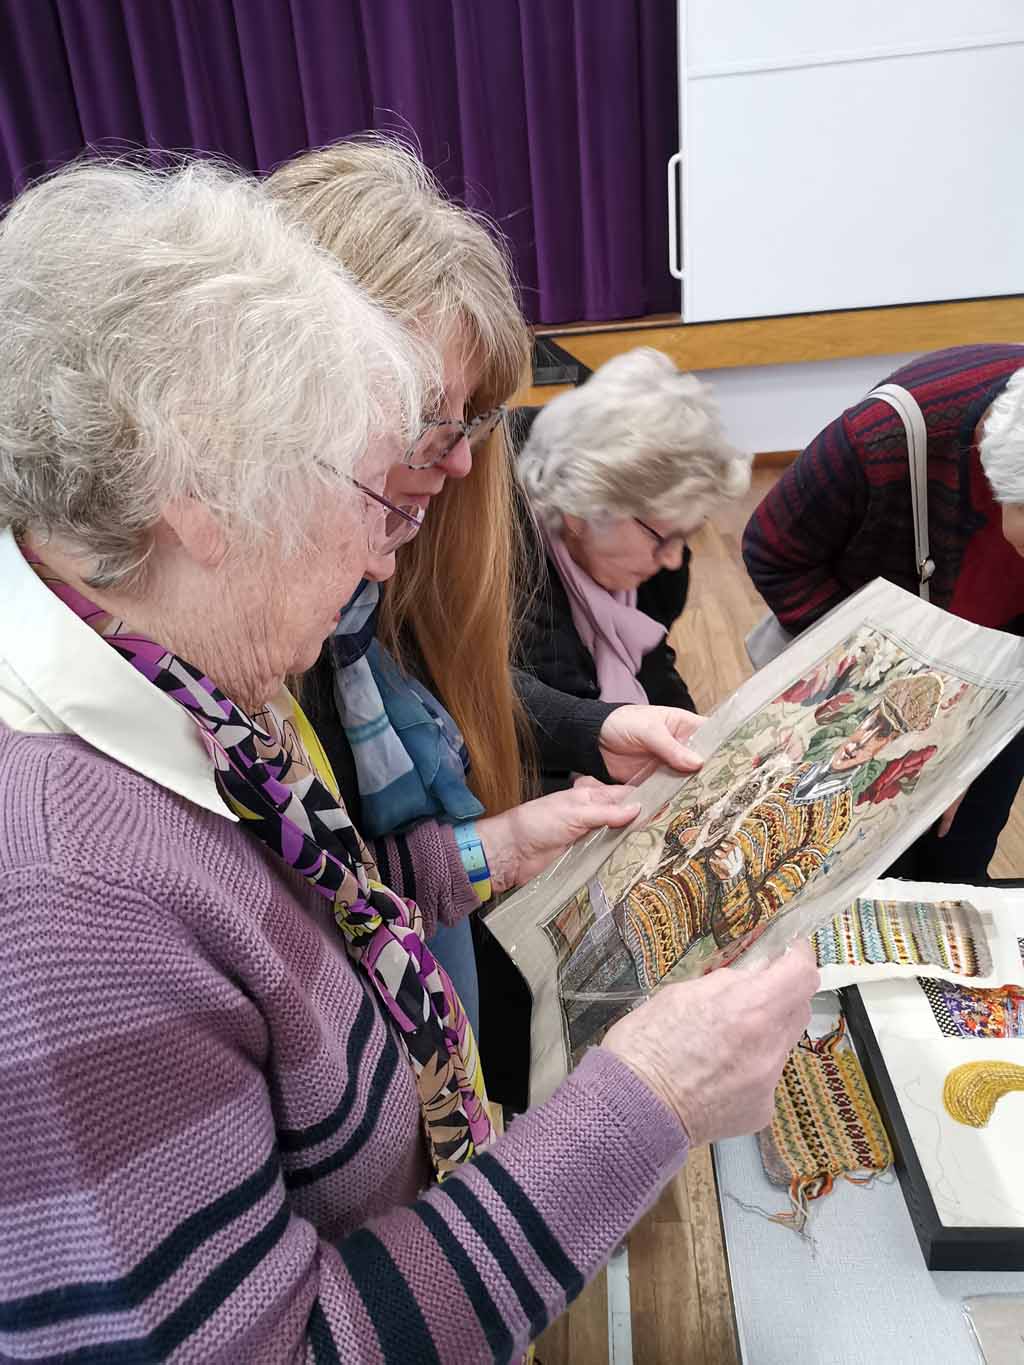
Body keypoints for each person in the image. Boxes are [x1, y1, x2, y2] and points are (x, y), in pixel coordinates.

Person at [0, 159, 819, 1362]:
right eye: (365, 489)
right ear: (199, 491)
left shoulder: (173, 682)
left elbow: (281, 928)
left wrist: (481, 853)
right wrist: (648, 1102)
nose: (385, 558)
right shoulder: (68, 907)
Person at [266, 141, 709, 1067]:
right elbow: (316, 917)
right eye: (437, 418)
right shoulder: (268, 650)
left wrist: (588, 734)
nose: (464, 460)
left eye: (473, 420)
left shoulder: (371, 577)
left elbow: (438, 700)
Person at [743, 344, 1024, 883]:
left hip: (1001, 680)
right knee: (862, 868)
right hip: (882, 683)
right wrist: (894, 691)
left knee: (959, 864)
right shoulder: (886, 435)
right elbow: (773, 551)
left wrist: (969, 739)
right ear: (1001, 489)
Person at [516, 349, 751, 788]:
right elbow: (514, 725)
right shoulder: (509, 576)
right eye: (662, 537)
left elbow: (650, 661)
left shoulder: (651, 558)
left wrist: (701, 747)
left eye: (688, 533)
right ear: (579, 512)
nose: (674, 558)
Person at [623, 674, 943, 978]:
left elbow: (746, 926)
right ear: (865, 716)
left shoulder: (831, 824)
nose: (863, 742)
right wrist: (692, 833)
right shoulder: (786, 770)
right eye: (872, 723)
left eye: (882, 736)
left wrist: (734, 877)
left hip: (659, 944)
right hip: (634, 900)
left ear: (890, 746)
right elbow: (686, 820)